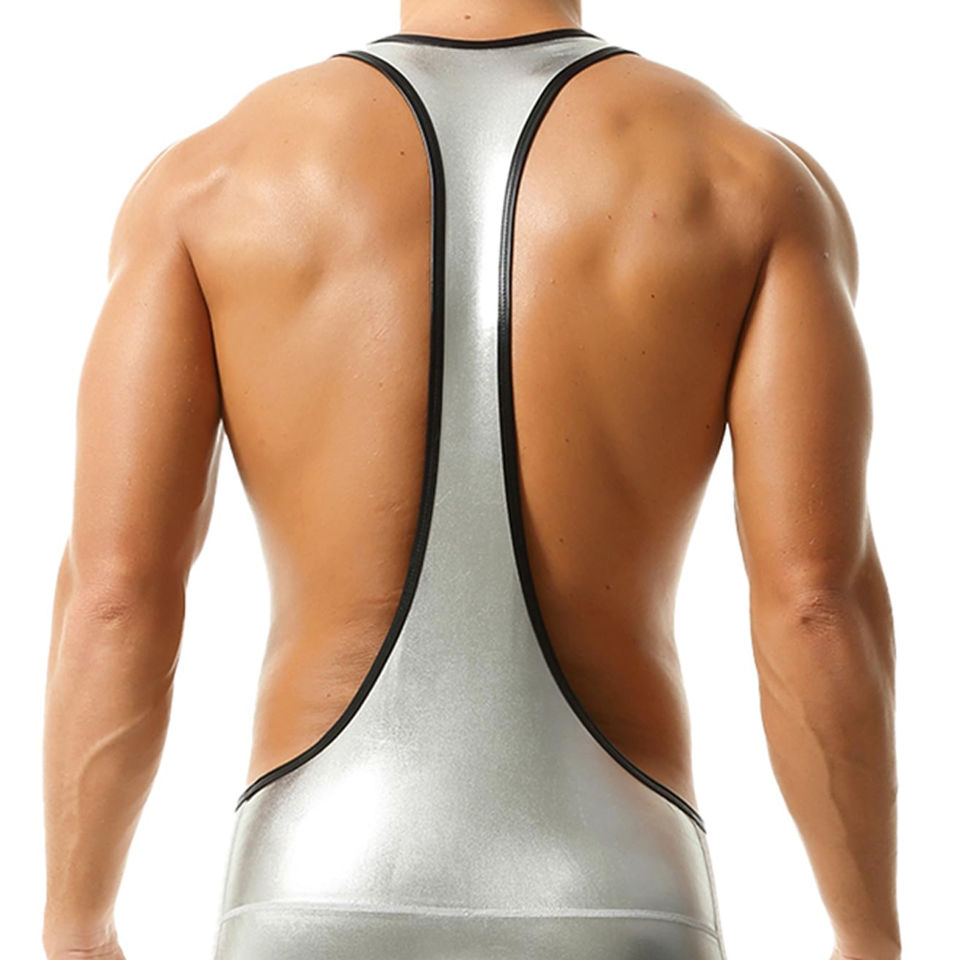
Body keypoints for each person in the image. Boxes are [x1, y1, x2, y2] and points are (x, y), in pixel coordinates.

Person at [41, 1, 900, 959]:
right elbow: (814, 605)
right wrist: (868, 937)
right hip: (613, 874)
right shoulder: (742, 176)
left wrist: (78, 926)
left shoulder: (209, 179)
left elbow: (115, 596)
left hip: (314, 876)